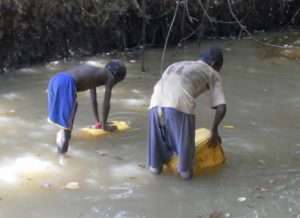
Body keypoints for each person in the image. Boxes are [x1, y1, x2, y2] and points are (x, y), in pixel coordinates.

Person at [147, 46, 226, 179]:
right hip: (178, 104)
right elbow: (221, 107)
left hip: (154, 105)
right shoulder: (212, 72)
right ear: (213, 64)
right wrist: (214, 131)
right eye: (220, 67)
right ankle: (187, 187)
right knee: (185, 161)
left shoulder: (178, 64)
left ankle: (155, 182)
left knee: (155, 161)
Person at [47, 59, 126, 155]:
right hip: (66, 83)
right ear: (115, 74)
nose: (115, 83)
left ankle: (61, 141)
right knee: (65, 129)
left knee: (65, 123)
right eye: (117, 81)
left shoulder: (96, 74)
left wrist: (98, 123)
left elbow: (93, 100)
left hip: (56, 79)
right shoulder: (110, 77)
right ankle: (61, 160)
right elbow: (106, 103)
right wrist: (104, 126)